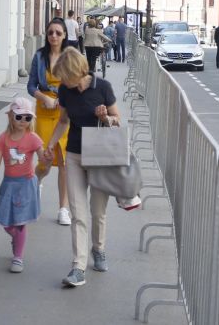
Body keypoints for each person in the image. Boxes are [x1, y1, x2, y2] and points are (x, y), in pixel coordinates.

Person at [46, 47, 140, 288]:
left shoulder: (103, 87)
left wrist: (104, 117)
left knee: (97, 211)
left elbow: (117, 120)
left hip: (99, 157)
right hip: (75, 155)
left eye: (65, 76)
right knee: (78, 214)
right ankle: (78, 266)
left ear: (76, 70)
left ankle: (98, 249)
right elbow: (64, 120)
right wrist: (51, 143)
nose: (63, 82)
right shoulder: (66, 91)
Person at [0, 97, 52, 273]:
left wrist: (48, 159)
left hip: (26, 184)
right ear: (10, 117)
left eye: (27, 118)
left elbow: (42, 157)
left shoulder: (33, 138)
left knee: (20, 222)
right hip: (8, 184)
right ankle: (17, 238)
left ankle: (18, 257)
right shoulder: (3, 138)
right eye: (19, 117)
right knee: (6, 221)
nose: (23, 121)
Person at [27, 17, 71, 225]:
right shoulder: (39, 56)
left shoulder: (70, 57)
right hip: (44, 111)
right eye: (50, 32)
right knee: (44, 159)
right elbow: (31, 85)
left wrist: (63, 99)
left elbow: (76, 84)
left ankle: (63, 209)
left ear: (64, 36)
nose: (54, 36)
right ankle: (38, 181)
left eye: (58, 33)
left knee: (63, 161)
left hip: (64, 114)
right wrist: (43, 97)